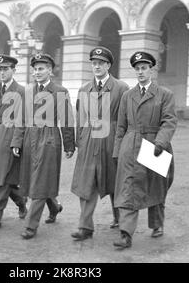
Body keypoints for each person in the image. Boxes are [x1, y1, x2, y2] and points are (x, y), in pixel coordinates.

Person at [112, 51, 177, 250]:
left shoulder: (165, 94)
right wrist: (117, 150)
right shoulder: (127, 96)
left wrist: (160, 143)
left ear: (152, 69)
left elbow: (169, 121)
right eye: (137, 69)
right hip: (130, 145)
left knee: (156, 186)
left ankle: (157, 224)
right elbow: (121, 126)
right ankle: (125, 233)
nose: (140, 72)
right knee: (128, 188)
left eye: (144, 68)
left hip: (155, 144)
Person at [11, 53, 75, 239]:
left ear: (50, 70)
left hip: (49, 139)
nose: (37, 72)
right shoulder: (27, 92)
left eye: (41, 69)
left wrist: (69, 144)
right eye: (35, 69)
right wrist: (17, 141)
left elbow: (67, 120)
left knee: (39, 181)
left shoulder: (60, 91)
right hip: (30, 138)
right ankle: (54, 207)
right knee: (35, 179)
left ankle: (31, 226)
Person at [70, 46, 129, 241]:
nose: (97, 67)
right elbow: (80, 117)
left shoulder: (121, 88)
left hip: (111, 140)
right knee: (86, 183)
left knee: (114, 182)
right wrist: (80, 139)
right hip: (88, 142)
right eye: (94, 63)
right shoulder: (84, 89)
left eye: (101, 63)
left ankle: (120, 218)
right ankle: (85, 227)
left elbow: (125, 118)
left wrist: (122, 144)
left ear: (108, 65)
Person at [0, 54, 28, 232]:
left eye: (5, 69)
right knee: (3, 178)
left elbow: (22, 120)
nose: (2, 72)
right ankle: (21, 201)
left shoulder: (21, 92)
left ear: (14, 70)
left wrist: (16, 142)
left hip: (10, 138)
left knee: (1, 180)